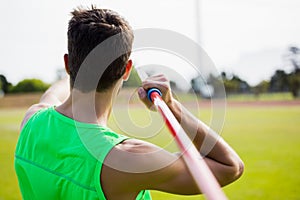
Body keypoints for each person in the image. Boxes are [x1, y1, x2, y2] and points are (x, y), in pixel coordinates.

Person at [14, 6, 244, 200]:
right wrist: (173, 106)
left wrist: (82, 64)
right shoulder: (126, 159)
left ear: (67, 63)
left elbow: (54, 92)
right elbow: (230, 166)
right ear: (126, 70)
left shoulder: (31, 121)